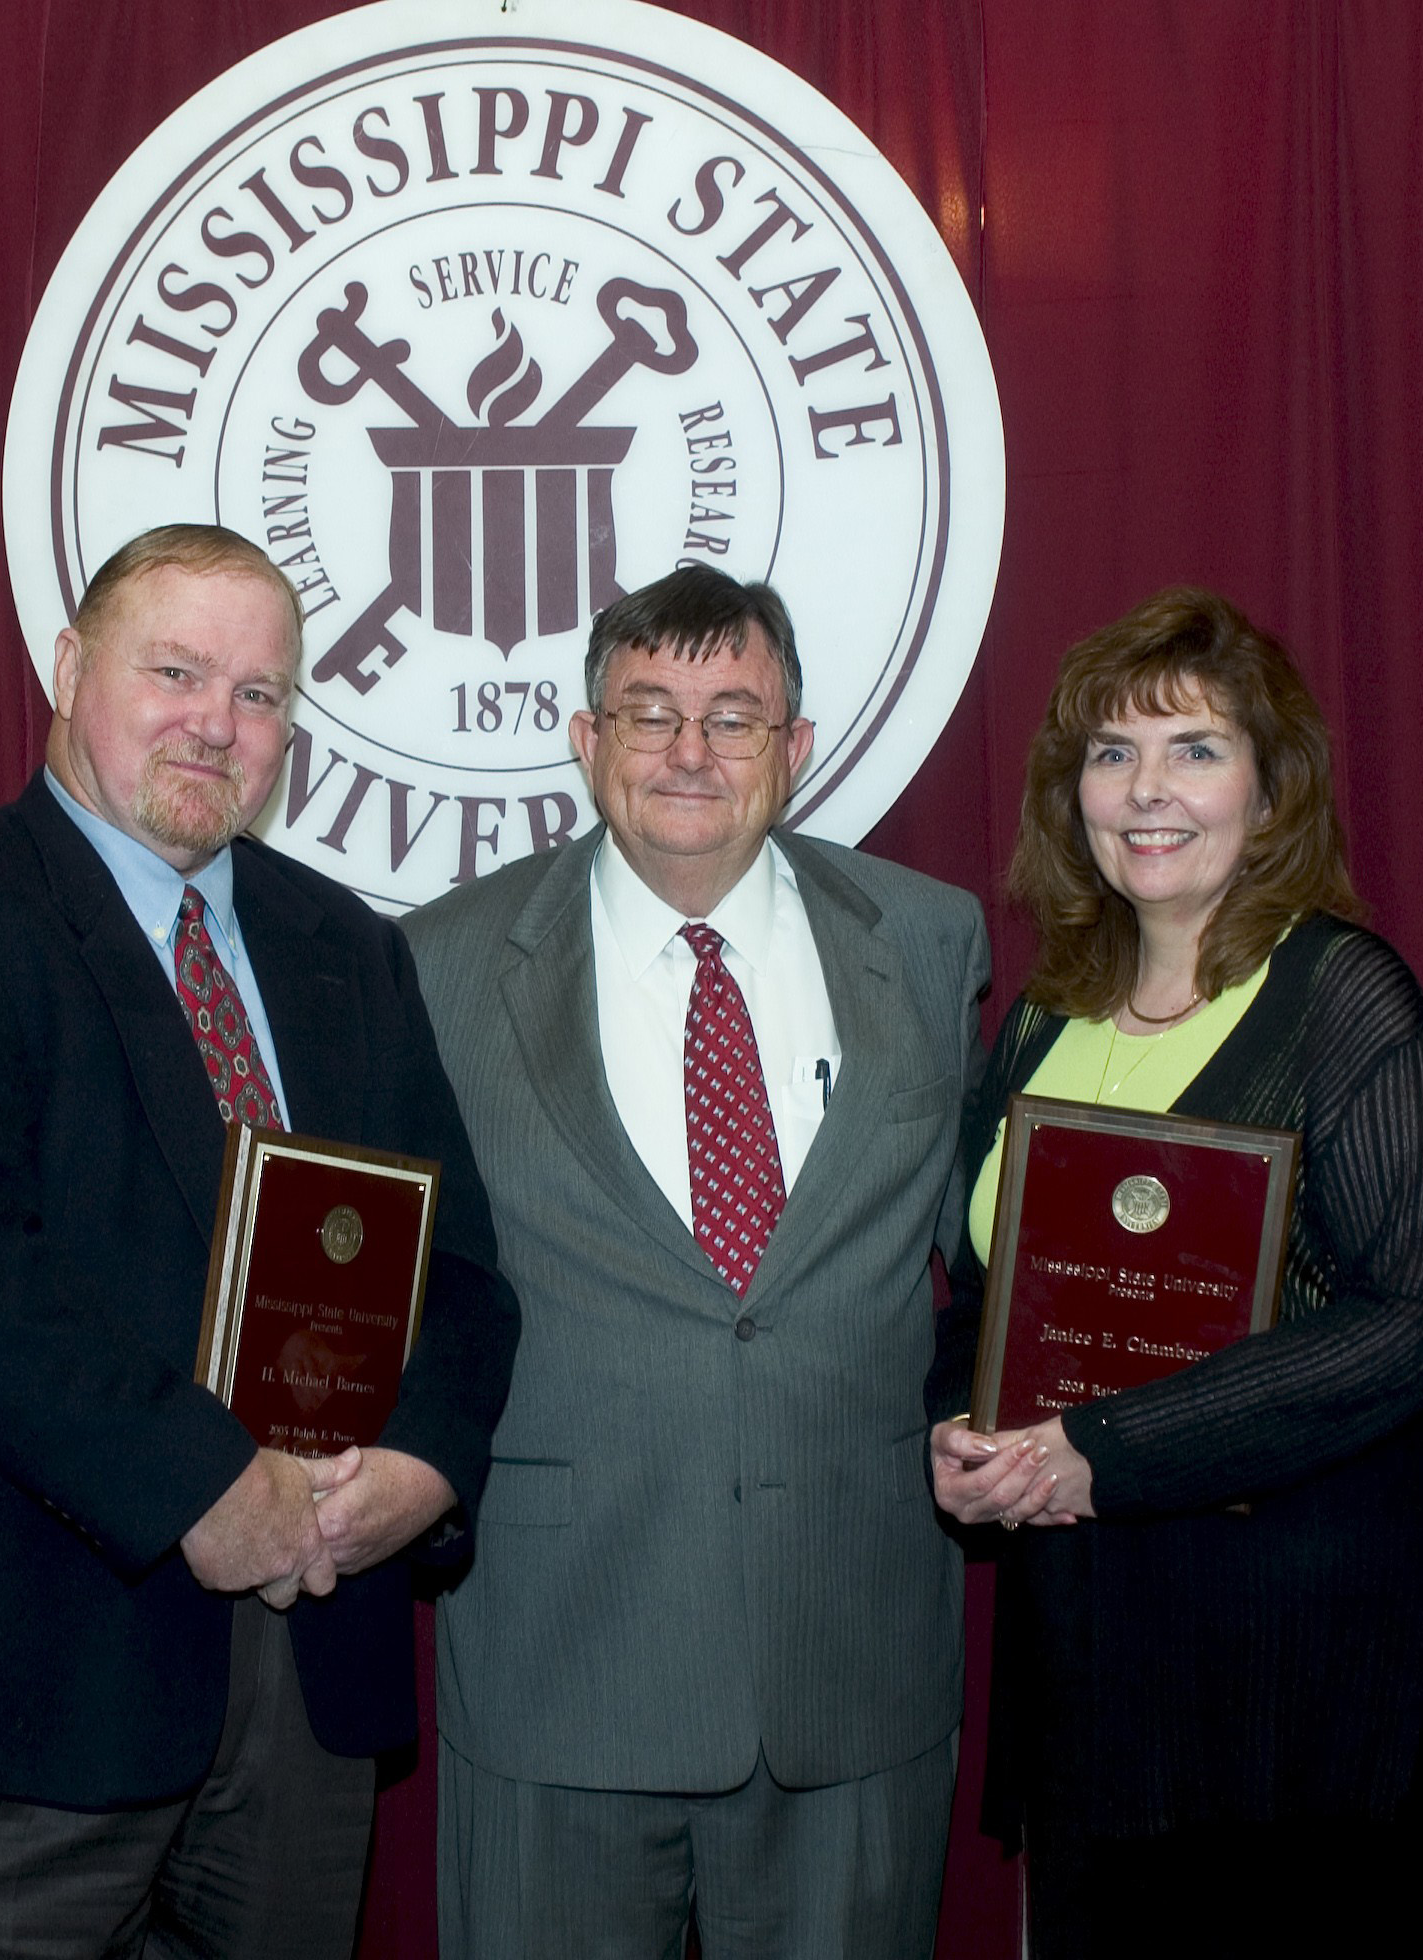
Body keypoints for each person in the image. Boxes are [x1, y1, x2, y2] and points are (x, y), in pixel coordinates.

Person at [0, 523, 517, 1959]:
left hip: (306, 1686)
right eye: (176, 671)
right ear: (70, 670)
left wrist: (423, 1470)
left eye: (259, 695)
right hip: (9, 1695)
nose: (218, 722)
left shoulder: (350, 948)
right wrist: (205, 1485)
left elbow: (461, 1271)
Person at [929, 588, 1423, 1958]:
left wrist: (1104, 1444)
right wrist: (956, 1431)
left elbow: (1421, 1318)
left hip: (1331, 1671)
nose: (1147, 789)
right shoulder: (1042, 1017)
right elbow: (979, 1295)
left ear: (1270, 794)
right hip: (1106, 1667)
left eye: (1195, 749)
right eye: (1110, 752)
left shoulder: (1341, 997)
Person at [401, 564, 988, 1959]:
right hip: (562, 1659)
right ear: (583, 735)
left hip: (851, 1654)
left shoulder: (927, 938)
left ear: (796, 749)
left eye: (735, 716)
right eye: (649, 710)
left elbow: (976, 1254)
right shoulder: (434, 962)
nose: (688, 751)